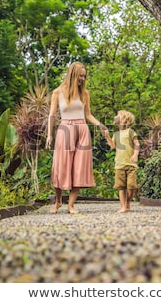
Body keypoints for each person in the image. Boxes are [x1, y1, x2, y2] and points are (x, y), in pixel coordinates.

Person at [45, 62, 107, 214]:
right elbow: (52, 115)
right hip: (65, 129)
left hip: (82, 130)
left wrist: (99, 124)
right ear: (73, 74)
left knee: (79, 167)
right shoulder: (58, 92)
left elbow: (87, 115)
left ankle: (71, 205)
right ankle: (58, 201)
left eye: (84, 76)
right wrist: (49, 135)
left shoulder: (85, 93)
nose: (83, 79)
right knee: (61, 167)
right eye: (80, 76)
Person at [105, 110, 140, 213]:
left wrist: (135, 154)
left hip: (131, 164)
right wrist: (107, 136)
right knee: (121, 187)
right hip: (119, 165)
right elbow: (112, 146)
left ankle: (128, 202)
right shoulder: (116, 134)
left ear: (124, 120)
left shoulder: (130, 131)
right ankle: (123, 206)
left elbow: (137, 144)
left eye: (118, 116)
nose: (115, 117)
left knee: (131, 186)